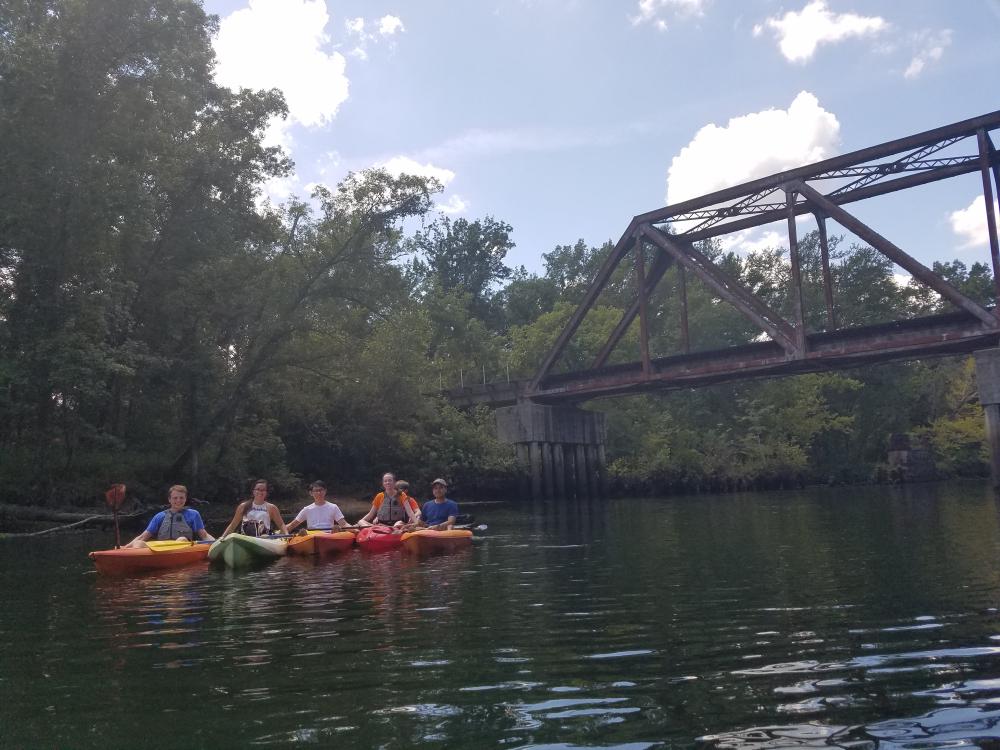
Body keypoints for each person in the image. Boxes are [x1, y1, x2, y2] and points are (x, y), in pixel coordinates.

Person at [126, 485, 214, 547]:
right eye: (175, 498)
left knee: (181, 539)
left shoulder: (193, 514)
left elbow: (204, 535)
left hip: (183, 548)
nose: (178, 500)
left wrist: (216, 543)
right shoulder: (159, 516)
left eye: (181, 498)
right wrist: (125, 548)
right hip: (161, 549)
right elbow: (143, 537)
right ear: (169, 499)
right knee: (138, 543)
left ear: (185, 499)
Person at [220, 478, 289, 537]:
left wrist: (286, 535)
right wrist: (222, 537)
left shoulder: (272, 508)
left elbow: (281, 524)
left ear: (266, 492)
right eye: (258, 489)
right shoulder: (243, 506)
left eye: (263, 490)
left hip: (264, 537)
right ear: (253, 491)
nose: (260, 492)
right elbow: (233, 525)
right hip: (246, 537)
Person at [286, 480, 352, 533]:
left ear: (325, 491)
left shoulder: (333, 507)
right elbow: (292, 525)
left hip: (329, 535)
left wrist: (355, 530)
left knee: (336, 528)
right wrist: (281, 530)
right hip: (312, 535)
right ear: (311, 493)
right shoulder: (307, 509)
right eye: (316, 491)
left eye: (321, 490)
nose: (319, 493)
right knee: (302, 532)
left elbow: (344, 524)